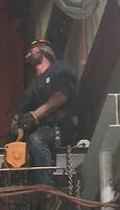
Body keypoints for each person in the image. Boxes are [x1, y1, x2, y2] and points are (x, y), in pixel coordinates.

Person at [11, 39, 80, 184]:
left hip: (61, 128)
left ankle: (46, 188)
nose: (28, 52)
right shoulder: (34, 87)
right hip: (43, 128)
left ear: (45, 51)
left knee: (37, 140)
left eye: (33, 48)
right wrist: (17, 121)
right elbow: (23, 110)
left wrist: (34, 115)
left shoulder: (59, 68)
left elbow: (61, 96)